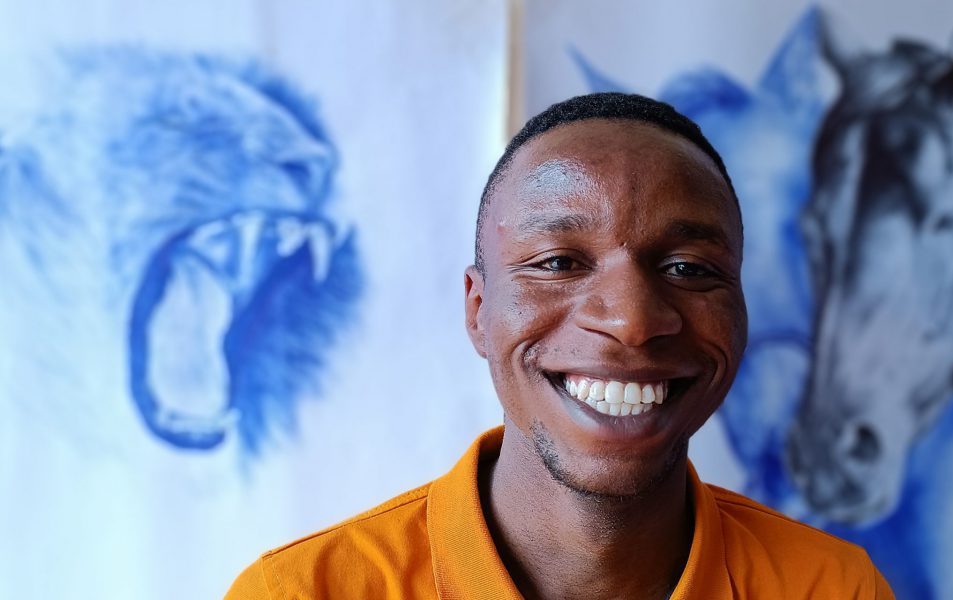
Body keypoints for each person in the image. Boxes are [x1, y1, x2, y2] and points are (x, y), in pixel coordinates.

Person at [225, 92, 894, 599]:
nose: (632, 322)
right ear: (479, 310)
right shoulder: (305, 592)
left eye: (689, 268)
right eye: (558, 262)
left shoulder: (828, 587)